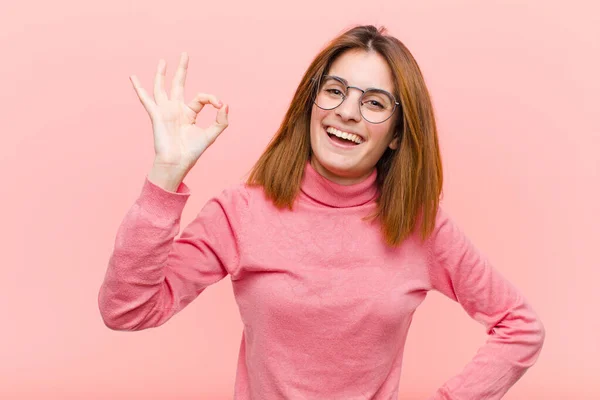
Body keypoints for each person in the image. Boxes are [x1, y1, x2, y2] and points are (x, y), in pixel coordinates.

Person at [98, 25, 545, 399]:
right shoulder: (240, 212)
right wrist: (164, 177)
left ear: (395, 134)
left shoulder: (420, 228)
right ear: (311, 105)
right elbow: (128, 311)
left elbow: (520, 327)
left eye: (373, 102)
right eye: (334, 91)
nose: (347, 112)